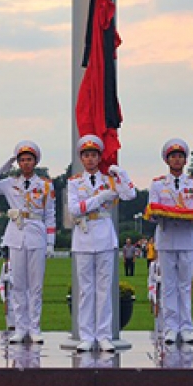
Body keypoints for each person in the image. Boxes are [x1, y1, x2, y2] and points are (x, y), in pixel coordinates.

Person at [0, 140, 56, 344]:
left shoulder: (45, 185)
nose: (25, 163)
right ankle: (20, 327)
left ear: (35, 161)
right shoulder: (9, 183)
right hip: (16, 234)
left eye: (29, 159)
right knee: (18, 285)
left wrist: (50, 242)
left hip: (37, 233)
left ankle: (35, 327)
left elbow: (51, 215)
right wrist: (6, 164)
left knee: (36, 286)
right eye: (21, 160)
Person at [67, 135, 136, 352]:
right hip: (84, 236)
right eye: (86, 155)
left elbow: (130, 195)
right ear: (81, 158)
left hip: (105, 235)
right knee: (86, 290)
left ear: (99, 158)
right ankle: (87, 335)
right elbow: (74, 209)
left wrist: (121, 174)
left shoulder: (110, 180)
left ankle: (104, 335)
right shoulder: (74, 182)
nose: (90, 159)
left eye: (94, 155)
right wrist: (99, 198)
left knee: (105, 289)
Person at [144, 138, 193, 344]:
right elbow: (152, 211)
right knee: (169, 285)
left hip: (187, 238)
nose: (177, 160)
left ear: (185, 160)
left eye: (180, 156)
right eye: (173, 157)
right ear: (167, 160)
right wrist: (161, 215)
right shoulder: (158, 184)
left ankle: (187, 327)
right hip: (167, 236)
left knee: (185, 285)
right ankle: (170, 327)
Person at [0, 247, 14, 330]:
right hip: (9, 299)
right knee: (10, 327)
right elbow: (0, 282)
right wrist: (3, 298)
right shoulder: (6, 266)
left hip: (21, 300)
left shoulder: (24, 265)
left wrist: (11, 279)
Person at [147, 259, 163, 332]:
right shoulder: (153, 264)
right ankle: (157, 327)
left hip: (164, 289)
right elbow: (151, 278)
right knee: (157, 307)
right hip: (155, 288)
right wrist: (150, 291)